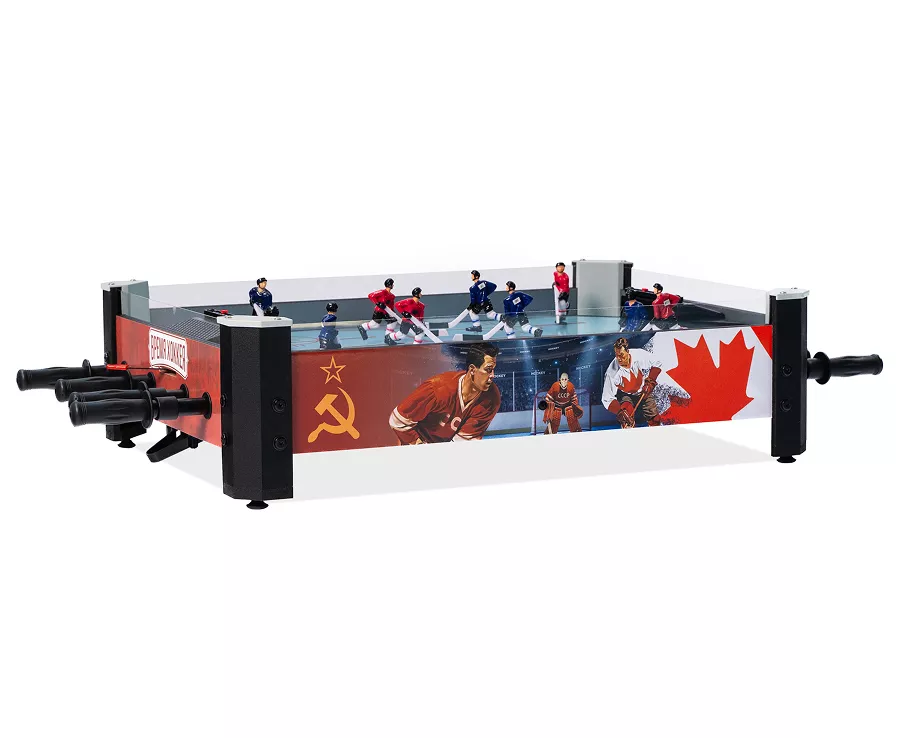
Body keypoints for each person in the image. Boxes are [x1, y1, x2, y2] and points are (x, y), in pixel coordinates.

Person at [389, 344, 501, 443]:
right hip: (418, 447)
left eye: (493, 370)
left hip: (446, 453)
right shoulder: (437, 388)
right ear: (472, 370)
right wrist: (420, 447)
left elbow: (463, 443)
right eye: (488, 370)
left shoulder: (492, 399)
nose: (493, 375)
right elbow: (398, 420)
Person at [601, 337, 663, 428]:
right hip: (625, 395)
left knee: (655, 420)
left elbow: (657, 362)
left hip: (643, 391)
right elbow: (606, 399)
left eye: (621, 355)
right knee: (627, 420)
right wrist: (620, 412)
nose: (619, 359)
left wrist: (650, 382)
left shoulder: (638, 355)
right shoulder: (612, 372)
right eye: (617, 355)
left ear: (628, 351)